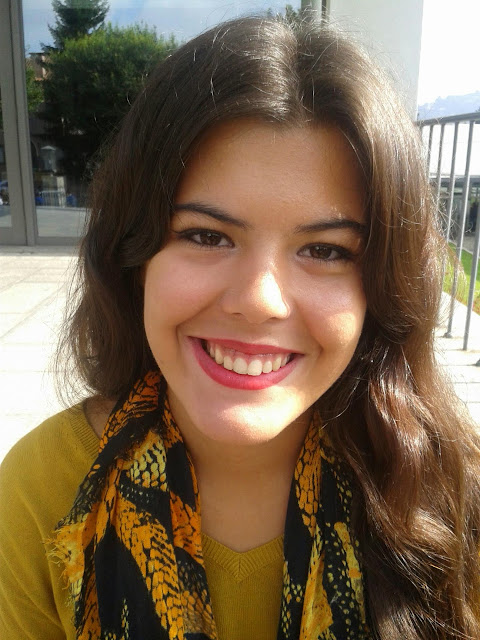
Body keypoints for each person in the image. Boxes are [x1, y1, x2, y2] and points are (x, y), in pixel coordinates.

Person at [1, 15, 480, 640]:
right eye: (206, 235)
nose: (259, 301)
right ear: (133, 258)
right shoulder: (43, 488)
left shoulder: (454, 493)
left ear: (382, 289)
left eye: (326, 250)